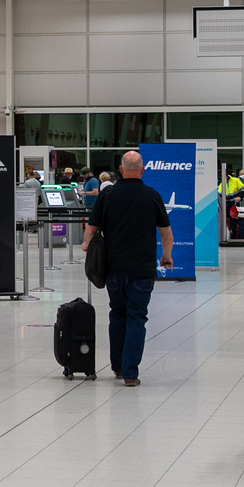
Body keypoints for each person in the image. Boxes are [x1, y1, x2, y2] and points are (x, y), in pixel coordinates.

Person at [84, 150, 173, 387]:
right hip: (142, 269)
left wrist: (86, 245)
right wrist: (166, 255)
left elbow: (91, 228)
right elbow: (166, 233)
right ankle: (131, 373)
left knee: (118, 313)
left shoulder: (108, 194)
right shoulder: (152, 195)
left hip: (113, 268)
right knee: (137, 317)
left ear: (121, 171)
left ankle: (118, 367)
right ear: (142, 170)